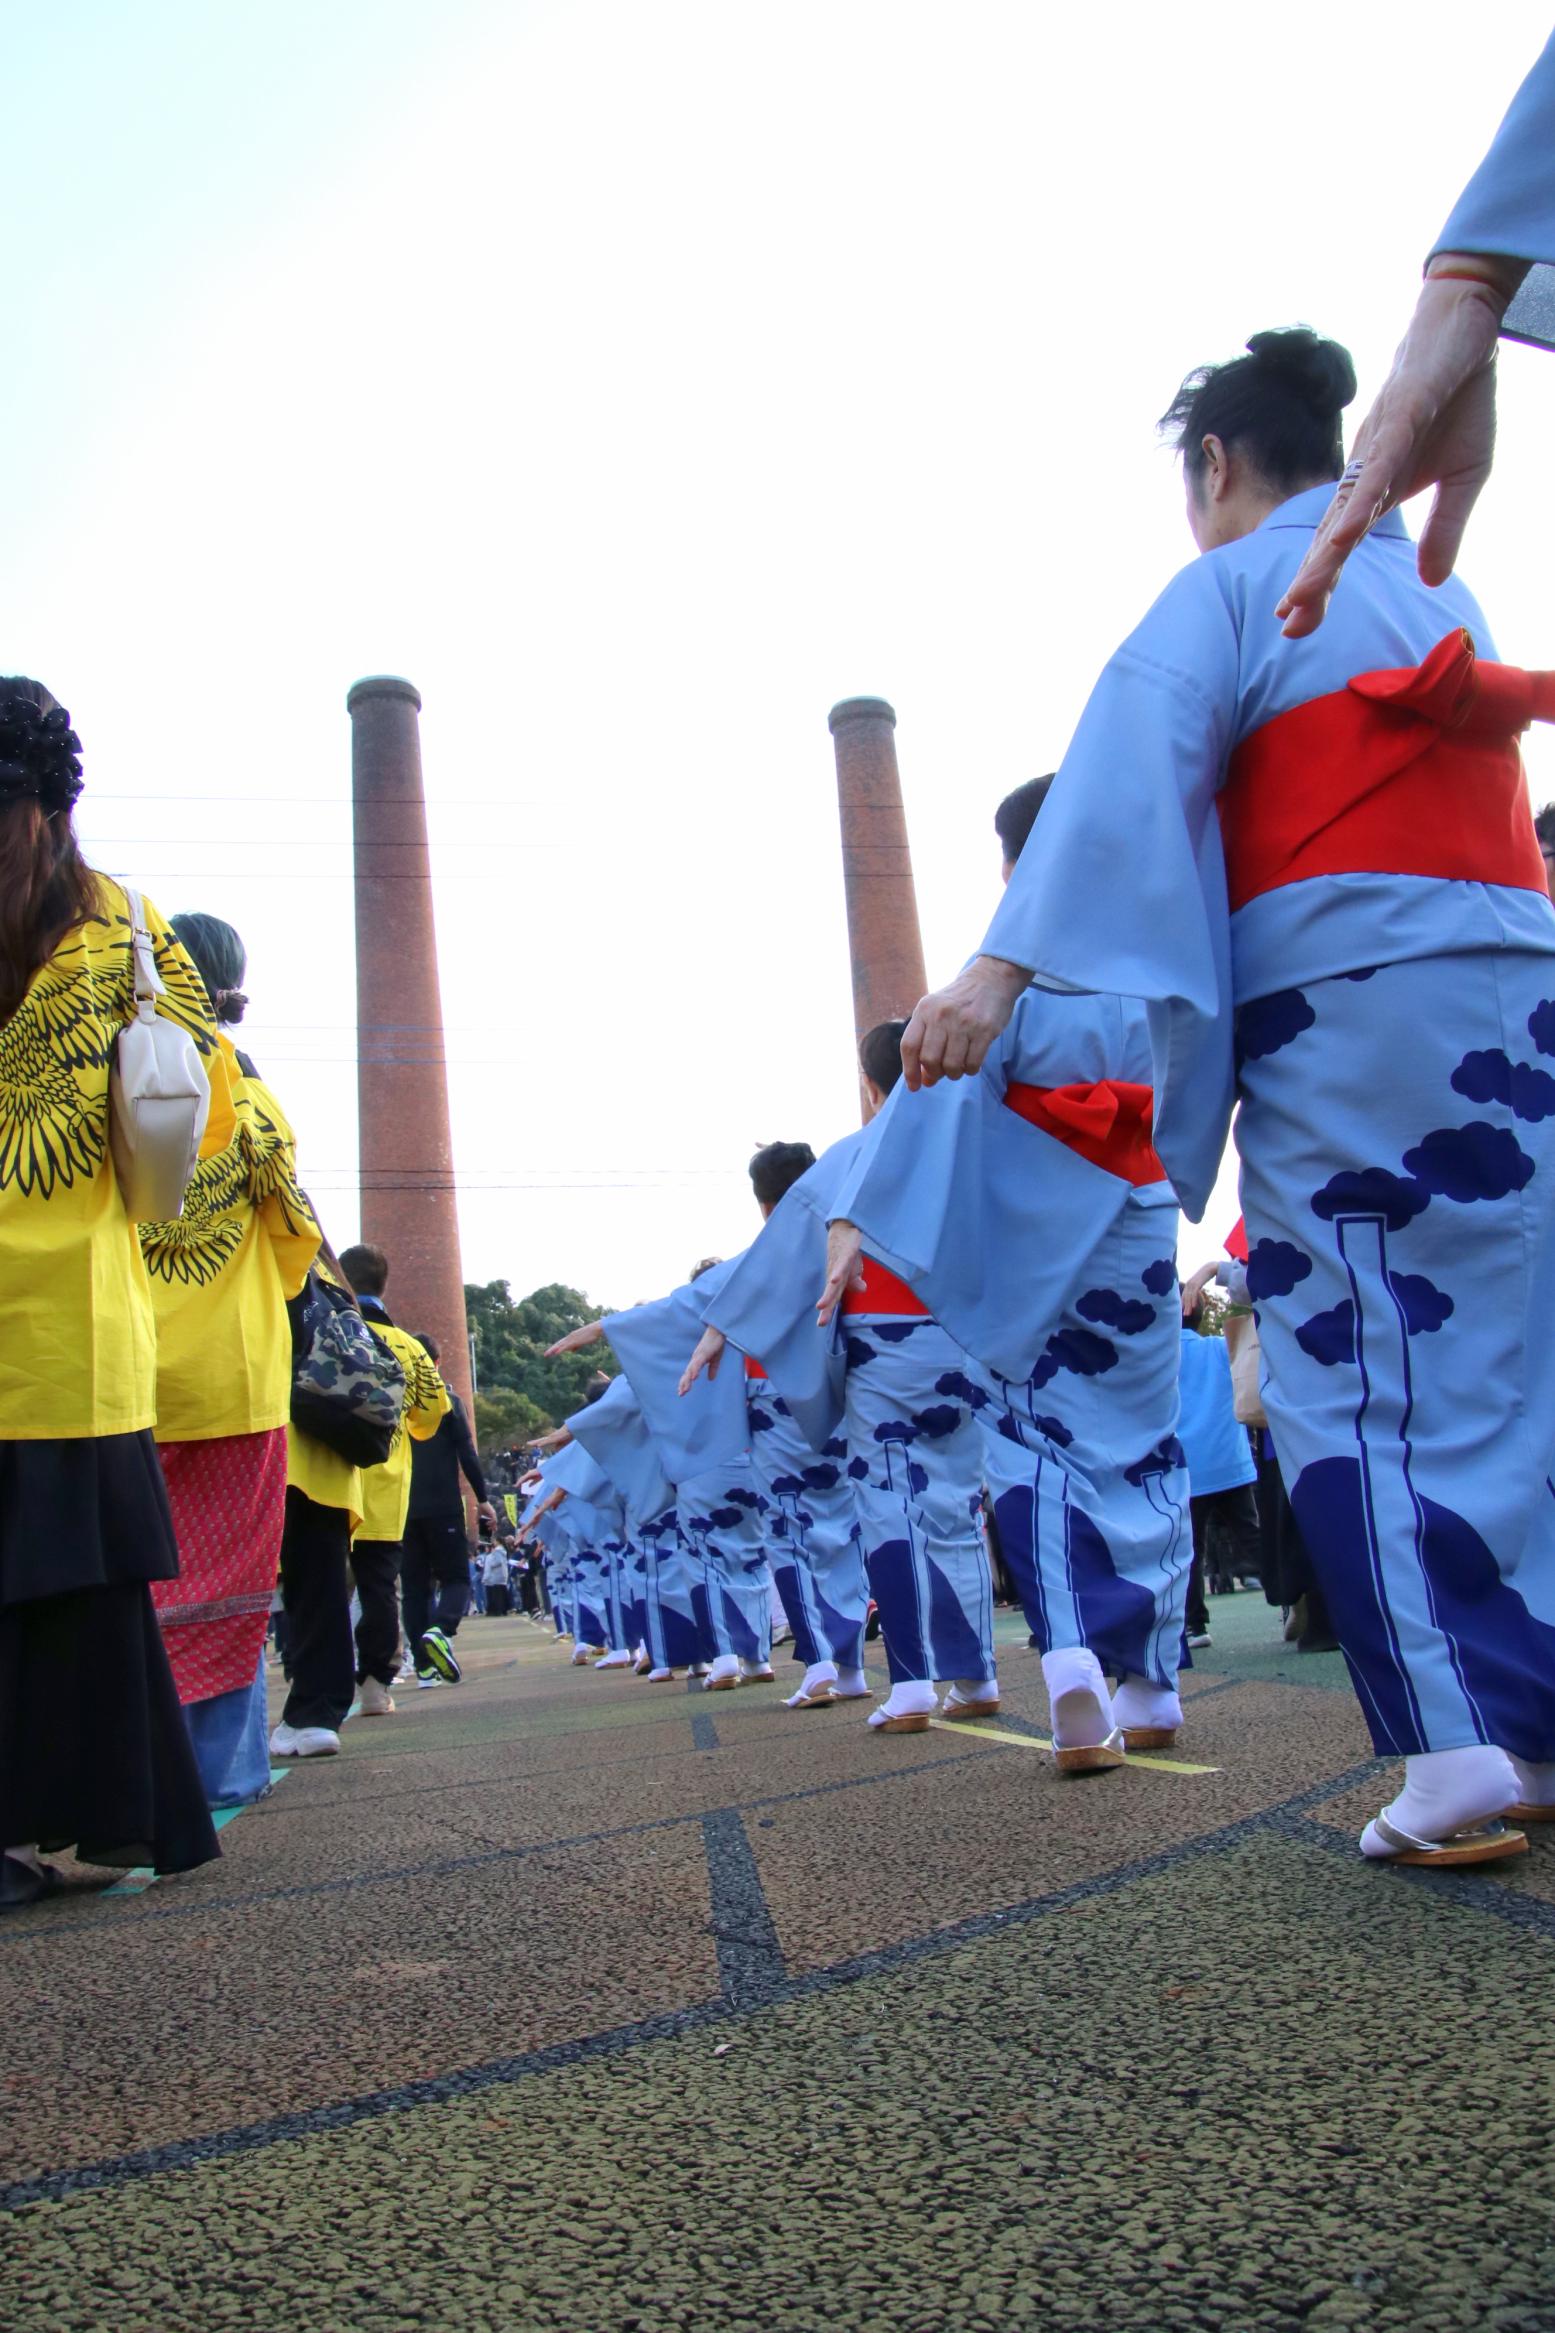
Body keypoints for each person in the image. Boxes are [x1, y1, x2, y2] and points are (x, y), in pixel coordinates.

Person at [902, 325, 1555, 1865]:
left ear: (1213, 466)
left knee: (1354, 1357)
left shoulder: (1226, 583)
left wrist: (994, 973)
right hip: (1511, 972)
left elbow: (1120, 781)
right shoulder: (1429, 578)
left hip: (1349, 987)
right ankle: (1521, 1723)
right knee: (1511, 1363)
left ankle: (1458, 1749)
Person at [821, 784, 1191, 1765]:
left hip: (1030, 1235)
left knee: (1034, 1445)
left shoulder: (993, 980)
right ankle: (1151, 1685)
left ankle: (1069, 1659)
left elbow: (929, 1119)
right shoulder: (1166, 955)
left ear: (1008, 864)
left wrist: (858, 1223)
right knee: (1143, 1445)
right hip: (1137, 1219)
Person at [0, 677, 224, 1900]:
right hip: (74, 1323)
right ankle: (93, 1812)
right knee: (81, 1590)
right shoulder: (127, 926)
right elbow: (208, 1117)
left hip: (58, 1324)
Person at [699, 1029, 998, 1732]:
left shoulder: (849, 1156)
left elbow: (775, 1263)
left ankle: (916, 1679)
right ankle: (977, 1671)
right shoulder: (974, 1136)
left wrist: (721, 1325)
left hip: (885, 1349)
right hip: (966, 1341)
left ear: (870, 1087)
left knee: (890, 1506)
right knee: (956, 1505)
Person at [1278, 31, 1554, 638]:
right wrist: (1474, 275)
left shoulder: (1218, 594)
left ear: (1214, 463)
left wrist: (1473, 278)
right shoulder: (1459, 609)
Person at [143, 913, 320, 1804]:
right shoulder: (250, 1099)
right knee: (231, 1579)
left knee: (127, 1580)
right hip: (233, 1373)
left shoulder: (110, 1072)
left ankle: (126, 1781)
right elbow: (296, 1245)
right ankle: (222, 1773)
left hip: (118, 1370)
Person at [335, 1246, 452, 1710]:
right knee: (380, 1589)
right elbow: (431, 1416)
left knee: (323, 1588)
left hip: (326, 1483)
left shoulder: (321, 1329)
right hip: (385, 1485)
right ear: (385, 1285)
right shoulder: (409, 1346)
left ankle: (320, 1691)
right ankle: (376, 1684)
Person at [1175, 1271, 1260, 1651]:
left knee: (1188, 1552)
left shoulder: (1157, 1363)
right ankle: (1291, 1593)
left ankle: (1194, 1625)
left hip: (1186, 1469)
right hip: (1231, 1462)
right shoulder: (1217, 1348)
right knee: (1254, 1536)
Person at [402, 1332, 490, 1686]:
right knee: (455, 1578)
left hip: (403, 1507)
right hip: (443, 1505)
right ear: (436, 1363)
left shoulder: (395, 1403)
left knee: (414, 1588)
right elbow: (467, 1453)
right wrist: (482, 1498)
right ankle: (442, 1628)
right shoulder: (448, 1401)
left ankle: (424, 1667)